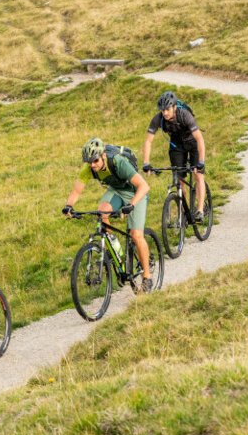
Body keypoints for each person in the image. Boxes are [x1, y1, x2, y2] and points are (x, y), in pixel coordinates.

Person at [63, 137, 154, 293]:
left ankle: (147, 276)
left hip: (136, 193)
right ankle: (114, 250)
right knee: (102, 211)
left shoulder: (118, 162)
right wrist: (69, 206)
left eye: (95, 160)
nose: (93, 165)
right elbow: (77, 190)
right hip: (117, 191)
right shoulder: (89, 169)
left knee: (136, 235)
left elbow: (144, 186)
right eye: (89, 162)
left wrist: (131, 205)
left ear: (103, 155)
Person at [141, 90, 207, 222]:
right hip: (176, 146)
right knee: (179, 179)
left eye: (167, 109)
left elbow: (199, 139)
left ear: (174, 107)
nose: (165, 113)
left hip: (193, 143)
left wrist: (201, 161)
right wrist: (146, 163)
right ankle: (183, 209)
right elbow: (148, 141)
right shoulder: (158, 119)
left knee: (198, 175)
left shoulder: (185, 115)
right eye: (162, 110)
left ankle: (200, 210)